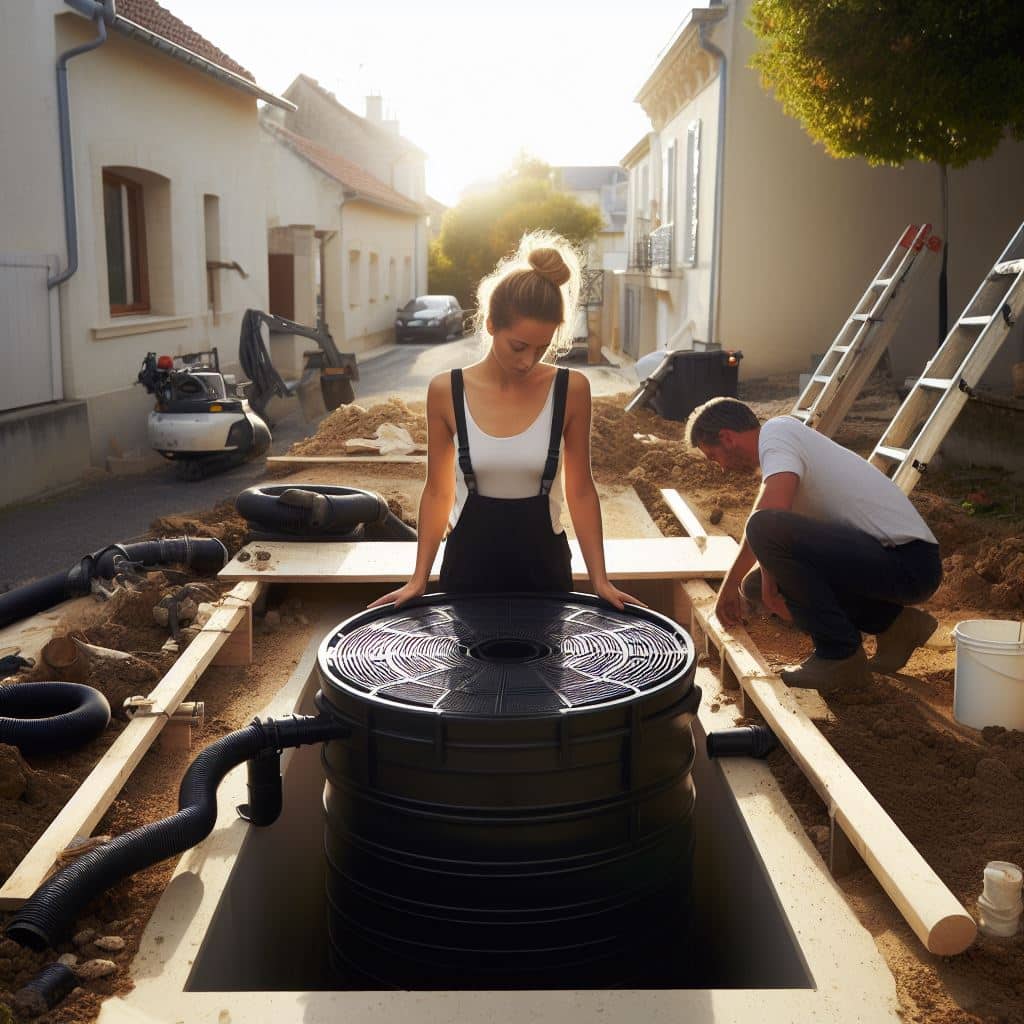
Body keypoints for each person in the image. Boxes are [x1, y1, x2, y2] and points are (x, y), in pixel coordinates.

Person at [370, 231, 640, 610]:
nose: (528, 360)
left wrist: (600, 580)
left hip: (545, 575)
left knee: (546, 669)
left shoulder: (572, 389)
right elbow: (437, 491)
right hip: (467, 573)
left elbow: (580, 489)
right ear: (492, 324)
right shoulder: (446, 391)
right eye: (518, 346)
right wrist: (418, 579)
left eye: (542, 347)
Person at [685, 397, 941, 692]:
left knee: (762, 529)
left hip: (909, 562)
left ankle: (839, 656)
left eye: (714, 456)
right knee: (755, 584)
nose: (721, 468)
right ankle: (897, 626)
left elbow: (768, 520)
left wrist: (730, 583)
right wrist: (756, 582)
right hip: (888, 562)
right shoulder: (783, 457)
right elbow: (777, 531)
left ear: (727, 438)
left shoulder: (778, 433)